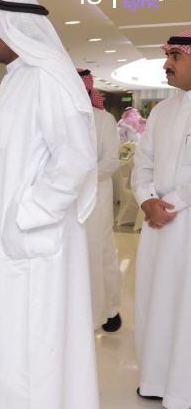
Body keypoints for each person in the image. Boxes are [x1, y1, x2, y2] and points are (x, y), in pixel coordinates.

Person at [0, 0, 100, 408]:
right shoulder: (16, 78)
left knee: (29, 344)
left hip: (30, 239)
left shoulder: (47, 79)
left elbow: (76, 158)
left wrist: (27, 215)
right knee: (3, 337)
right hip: (4, 241)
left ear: (13, 30)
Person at [130, 30, 191, 404]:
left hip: (184, 221)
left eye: (175, 57)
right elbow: (142, 163)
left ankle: (183, 388)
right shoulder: (163, 110)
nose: (166, 64)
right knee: (155, 300)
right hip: (157, 222)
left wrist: (173, 203)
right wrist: (146, 200)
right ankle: (155, 380)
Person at [78, 68, 122, 332]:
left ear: (86, 89)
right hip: (64, 199)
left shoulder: (104, 119)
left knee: (99, 251)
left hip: (95, 195)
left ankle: (109, 309)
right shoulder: (57, 118)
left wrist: (75, 179)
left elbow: (110, 162)